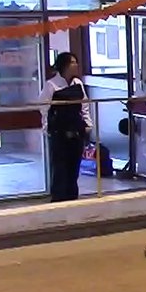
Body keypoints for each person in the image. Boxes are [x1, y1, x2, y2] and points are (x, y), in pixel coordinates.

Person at [40, 52, 91, 202]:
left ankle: (72, 198)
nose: (76, 65)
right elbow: (44, 108)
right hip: (59, 131)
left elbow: (84, 105)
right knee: (60, 168)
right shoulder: (51, 85)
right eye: (73, 62)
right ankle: (58, 200)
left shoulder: (78, 84)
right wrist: (47, 128)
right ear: (65, 65)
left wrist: (88, 124)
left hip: (76, 129)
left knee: (73, 168)